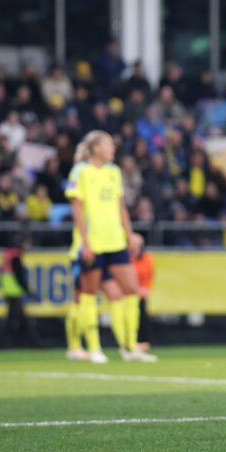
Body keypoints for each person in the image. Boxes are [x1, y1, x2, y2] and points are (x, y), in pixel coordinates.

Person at [67, 130, 156, 364]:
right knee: (88, 294)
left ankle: (130, 347)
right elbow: (76, 210)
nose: (112, 148)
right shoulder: (81, 172)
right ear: (95, 148)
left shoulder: (114, 172)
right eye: (108, 144)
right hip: (92, 244)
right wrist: (84, 243)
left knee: (131, 290)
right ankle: (94, 348)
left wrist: (130, 235)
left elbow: (121, 207)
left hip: (114, 241)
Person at [0, 233, 42, 349]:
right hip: (13, 290)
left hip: (8, 289)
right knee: (16, 319)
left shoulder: (8, 254)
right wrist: (29, 291)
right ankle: (32, 344)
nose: (29, 246)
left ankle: (3, 343)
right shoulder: (15, 256)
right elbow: (19, 276)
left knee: (14, 318)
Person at [129, 233, 155, 352]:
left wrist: (145, 288)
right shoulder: (124, 258)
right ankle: (129, 342)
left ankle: (143, 342)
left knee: (142, 316)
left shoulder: (146, 258)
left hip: (140, 293)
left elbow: (149, 275)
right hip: (128, 293)